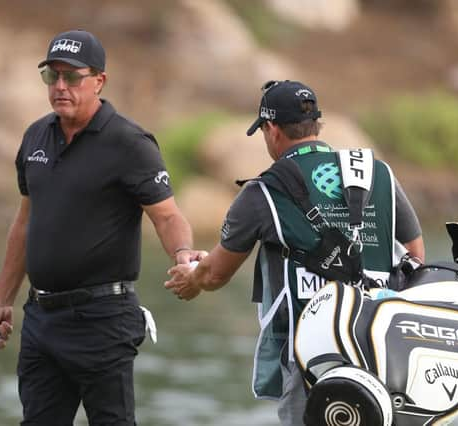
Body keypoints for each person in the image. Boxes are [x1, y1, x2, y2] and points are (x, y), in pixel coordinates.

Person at [164, 80, 425, 426]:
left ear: (272, 130)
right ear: (316, 124)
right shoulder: (378, 173)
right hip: (383, 354)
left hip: (314, 360)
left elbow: (214, 273)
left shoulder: (264, 191)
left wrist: (192, 279)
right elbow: (414, 255)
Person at [0, 29, 204, 426]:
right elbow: (25, 223)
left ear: (99, 80)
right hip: (41, 318)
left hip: (103, 320)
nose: (60, 86)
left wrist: (183, 256)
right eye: (52, 76)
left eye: (72, 77)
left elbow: (167, 215)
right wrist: (1, 300)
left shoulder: (129, 143)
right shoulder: (36, 136)